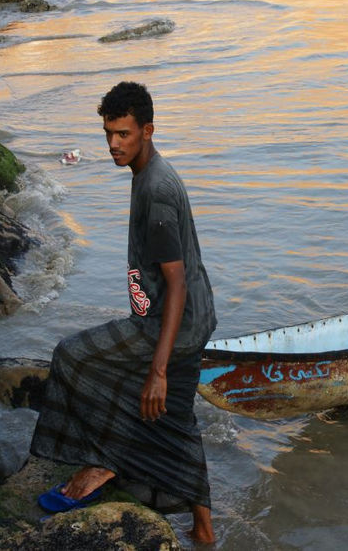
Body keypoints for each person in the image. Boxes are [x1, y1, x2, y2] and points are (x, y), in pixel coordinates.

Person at [30, 81, 217, 543]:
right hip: (183, 320)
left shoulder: (156, 190)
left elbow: (174, 285)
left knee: (72, 358)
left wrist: (157, 369)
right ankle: (204, 528)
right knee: (174, 420)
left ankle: (101, 465)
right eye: (109, 133)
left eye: (124, 135)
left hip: (169, 323)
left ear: (147, 131)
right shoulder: (148, 172)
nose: (114, 144)